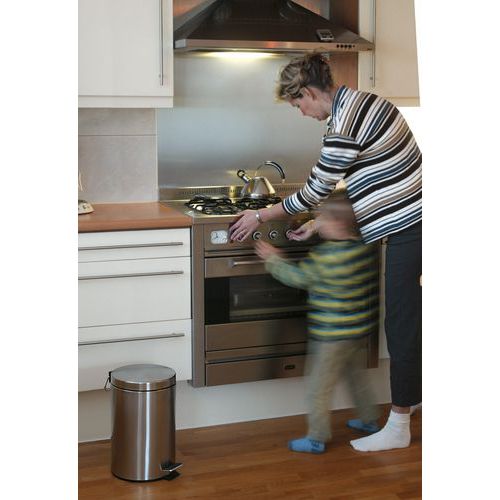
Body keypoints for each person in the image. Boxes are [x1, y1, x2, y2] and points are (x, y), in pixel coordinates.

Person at [230, 52, 422, 452]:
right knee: (409, 322)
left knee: (401, 325)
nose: (302, 113)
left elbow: (316, 190)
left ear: (309, 92)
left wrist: (260, 214)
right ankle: (410, 401)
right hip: (413, 222)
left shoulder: (344, 123)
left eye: (297, 104)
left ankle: (399, 425)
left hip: (412, 227)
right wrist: (320, 223)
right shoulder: (362, 104)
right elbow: (373, 179)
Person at [255, 196, 381, 454]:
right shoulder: (364, 246)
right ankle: (369, 420)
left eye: (322, 218)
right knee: (356, 377)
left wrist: (273, 259)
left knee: (318, 387)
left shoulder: (326, 256)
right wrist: (313, 226)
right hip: (358, 330)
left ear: (338, 224)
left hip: (331, 336)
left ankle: (317, 437)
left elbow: (299, 278)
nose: (318, 222)